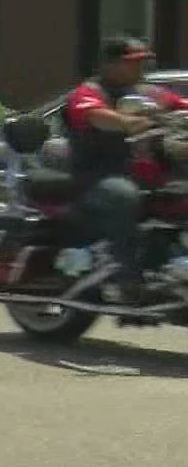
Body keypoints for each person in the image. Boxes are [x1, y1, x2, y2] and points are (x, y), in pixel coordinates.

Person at [62, 37, 188, 304]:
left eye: (143, 62)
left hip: (145, 175)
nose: (139, 68)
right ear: (110, 63)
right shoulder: (88, 93)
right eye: (132, 63)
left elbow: (181, 106)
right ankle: (126, 279)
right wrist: (127, 122)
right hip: (96, 178)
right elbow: (95, 115)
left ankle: (169, 266)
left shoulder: (150, 94)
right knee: (124, 196)